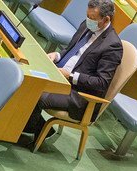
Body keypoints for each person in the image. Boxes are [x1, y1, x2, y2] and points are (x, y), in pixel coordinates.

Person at [23, 0, 122, 140]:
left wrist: (71, 76)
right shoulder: (87, 25)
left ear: (106, 20)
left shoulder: (113, 46)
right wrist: (57, 56)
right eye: (87, 16)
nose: (88, 21)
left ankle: (31, 130)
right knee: (29, 76)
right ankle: (30, 126)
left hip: (79, 94)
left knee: (38, 94)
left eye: (92, 18)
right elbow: (71, 50)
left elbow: (101, 82)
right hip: (61, 75)